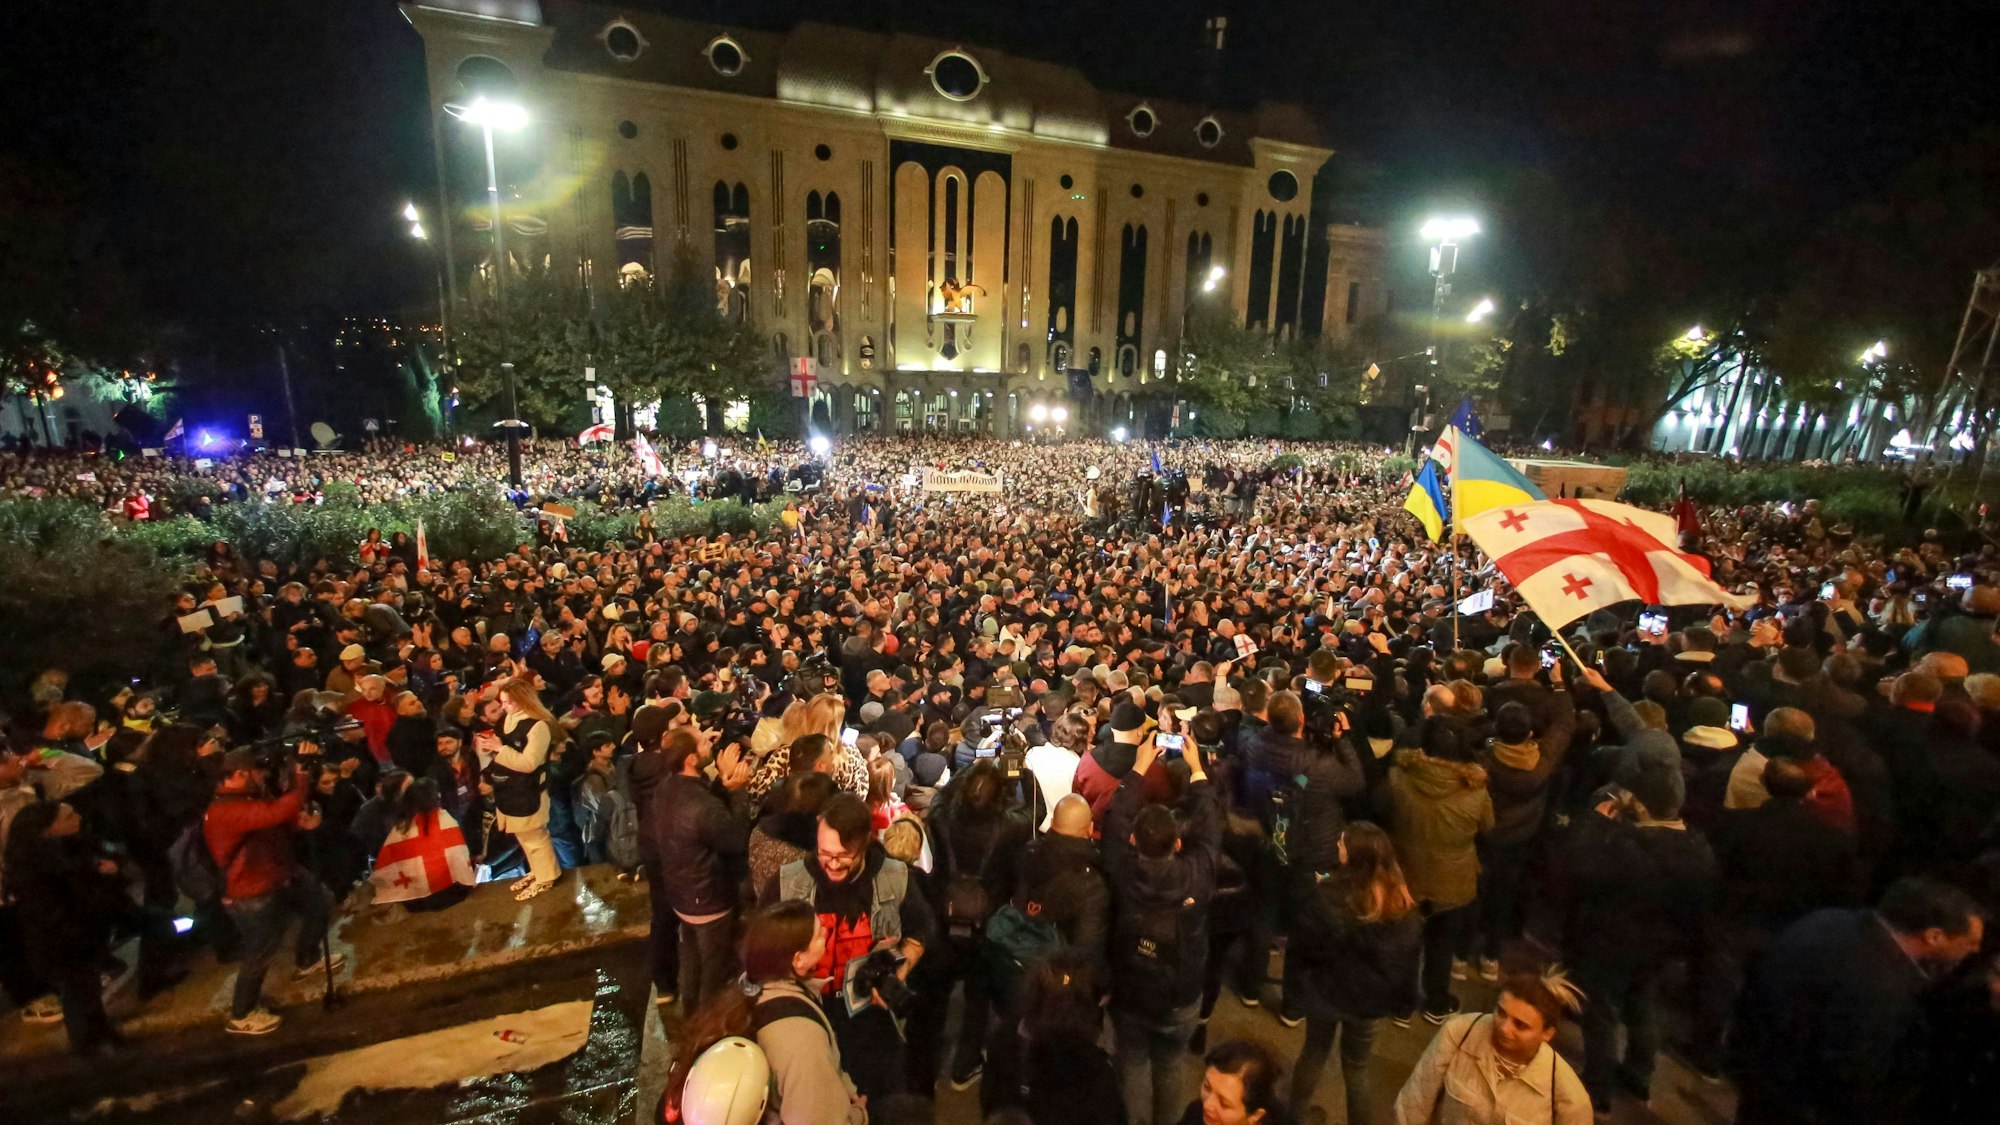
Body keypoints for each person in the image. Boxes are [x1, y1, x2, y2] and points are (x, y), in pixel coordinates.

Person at [1730, 877, 1986, 1125]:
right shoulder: (1885, 992)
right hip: (1795, 1103)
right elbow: (1852, 1078)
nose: (1974, 951)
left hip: (1757, 1072)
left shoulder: (1827, 919)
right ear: (1934, 936)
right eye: (1971, 942)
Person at [1554, 758, 1716, 1114]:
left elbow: (1575, 868)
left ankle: (1596, 1089)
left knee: (1600, 1013)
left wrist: (1595, 821)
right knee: (1642, 1007)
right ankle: (1640, 1075)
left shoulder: (1627, 846)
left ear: (1640, 803)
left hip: (1608, 942)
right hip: (1660, 948)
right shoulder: (1698, 849)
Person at [777, 791, 935, 1103]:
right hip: (810, 1019)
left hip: (871, 1023)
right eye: (824, 853)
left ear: (864, 843)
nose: (831, 865)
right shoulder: (790, 883)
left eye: (843, 855)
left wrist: (900, 970)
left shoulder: (893, 878)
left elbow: (923, 928)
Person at [1104, 731, 1223, 1125]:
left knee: (1133, 1063)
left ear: (1134, 840)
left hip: (1133, 987)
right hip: (1181, 992)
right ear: (1177, 844)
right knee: (1170, 1067)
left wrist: (1140, 765)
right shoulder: (1197, 875)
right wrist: (1197, 770)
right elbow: (1210, 827)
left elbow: (1116, 816)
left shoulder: (1121, 867)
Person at [664, 900, 867, 1125]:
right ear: (798, 959)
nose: (826, 933)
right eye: (819, 934)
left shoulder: (745, 991)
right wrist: (859, 1114)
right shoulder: (802, 1040)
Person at [1285, 822, 1422, 1125]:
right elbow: (1409, 963)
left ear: (1353, 857)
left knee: (1314, 1051)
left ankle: (1295, 1117)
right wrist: (1405, 1003)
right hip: (1370, 1002)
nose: (1337, 846)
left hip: (1326, 992)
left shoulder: (1329, 896)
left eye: (1342, 844)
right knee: (1357, 1067)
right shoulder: (1402, 904)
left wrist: (1297, 987)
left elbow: (1305, 945)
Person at [202, 748, 344, 1036]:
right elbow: (276, 812)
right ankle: (242, 1012)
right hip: (251, 889)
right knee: (261, 949)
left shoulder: (248, 798)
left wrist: (301, 822)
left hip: (281, 872)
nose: (263, 777)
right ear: (241, 774)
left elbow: (279, 819)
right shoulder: (224, 810)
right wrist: (301, 776)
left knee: (321, 900)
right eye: (258, 772)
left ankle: (307, 958)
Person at [1381, 720, 1493, 1024]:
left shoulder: (1396, 778)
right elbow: (1488, 827)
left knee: (1405, 941)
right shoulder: (1476, 792)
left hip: (1405, 876)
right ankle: (1436, 999)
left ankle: (1401, 1004)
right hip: (1453, 881)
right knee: (1442, 944)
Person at [1390, 957, 1592, 1125]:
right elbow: (1413, 1105)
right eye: (1501, 1013)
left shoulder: (1567, 1096)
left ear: (1547, 1033)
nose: (1504, 1028)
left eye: (1520, 1025)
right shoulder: (1460, 1032)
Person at [1, 801, 130, 1053]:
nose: (78, 818)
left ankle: (102, 1037)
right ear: (48, 829)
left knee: (88, 993)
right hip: (62, 943)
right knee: (78, 997)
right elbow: (53, 910)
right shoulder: (37, 867)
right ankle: (90, 1049)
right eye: (69, 816)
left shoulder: (69, 850)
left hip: (79, 937)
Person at [654, 725, 753, 1009]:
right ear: (690, 759)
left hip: (682, 894)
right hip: (709, 900)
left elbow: (707, 819)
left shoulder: (667, 787)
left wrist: (722, 782)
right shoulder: (702, 806)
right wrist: (738, 791)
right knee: (713, 971)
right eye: (702, 743)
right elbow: (734, 839)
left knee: (692, 961)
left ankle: (688, 1017)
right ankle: (705, 1031)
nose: (710, 743)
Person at [483, 677, 564, 901]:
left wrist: (500, 749)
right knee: (524, 836)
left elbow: (530, 763)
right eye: (502, 702)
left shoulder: (537, 725)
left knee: (536, 836)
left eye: (508, 702)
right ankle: (537, 871)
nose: (504, 706)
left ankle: (547, 876)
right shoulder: (507, 720)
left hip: (529, 790)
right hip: (509, 788)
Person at [1179, 1038, 1292, 1125]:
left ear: (1256, 1115)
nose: (1207, 1105)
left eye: (1224, 1104)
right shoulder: (1195, 1115)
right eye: (1207, 1087)